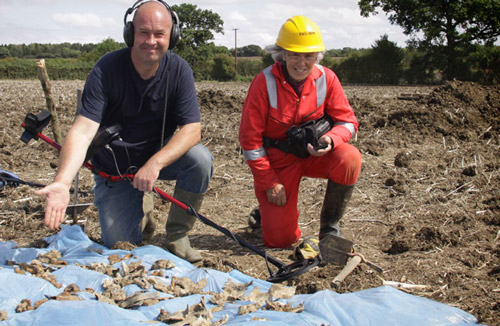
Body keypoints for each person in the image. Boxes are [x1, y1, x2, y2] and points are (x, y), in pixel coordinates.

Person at [36, 0, 213, 263]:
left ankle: (177, 236)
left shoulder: (179, 71)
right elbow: (83, 130)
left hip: (155, 158)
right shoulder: (106, 69)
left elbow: (192, 129)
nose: (150, 41)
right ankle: (141, 209)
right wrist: (62, 182)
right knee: (121, 247)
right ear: (130, 33)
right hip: (115, 168)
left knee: (200, 160)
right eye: (143, 32)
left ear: (172, 36)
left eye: (159, 34)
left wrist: (154, 163)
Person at [239, 15, 361, 249]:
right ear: (282, 54)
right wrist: (269, 182)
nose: (302, 63)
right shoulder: (263, 82)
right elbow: (250, 142)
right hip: (278, 163)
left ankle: (330, 229)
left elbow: (348, 121)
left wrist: (330, 140)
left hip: (314, 155)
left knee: (349, 158)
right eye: (295, 54)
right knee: (281, 241)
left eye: (309, 55)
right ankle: (267, 214)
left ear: (317, 56)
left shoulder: (327, 78)